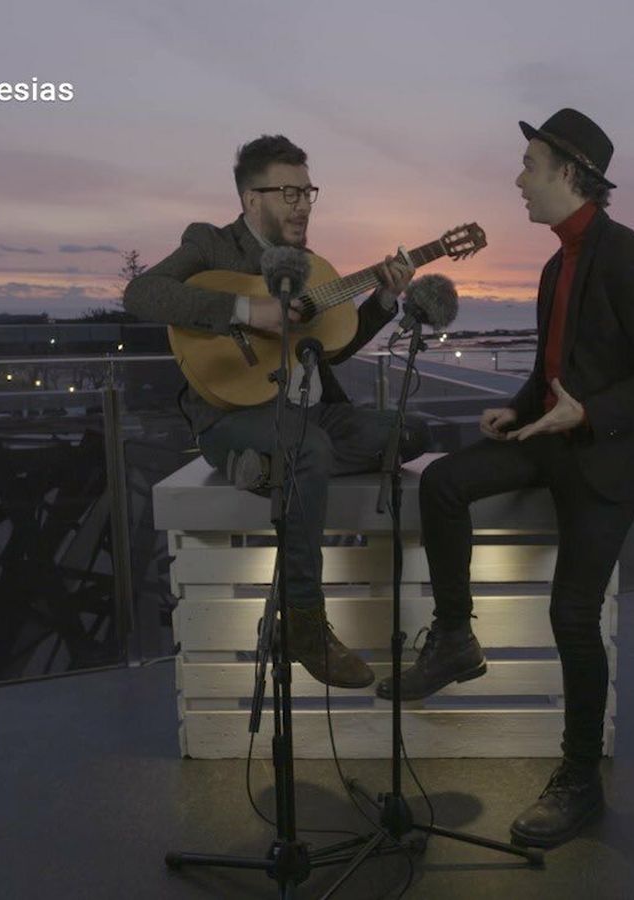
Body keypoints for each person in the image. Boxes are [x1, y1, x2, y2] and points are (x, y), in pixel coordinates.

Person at [376, 109, 634, 848]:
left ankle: (579, 781)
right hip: (553, 434)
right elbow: (554, 365)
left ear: (569, 173)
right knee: (444, 482)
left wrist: (587, 413)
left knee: (572, 618)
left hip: (610, 456)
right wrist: (517, 408)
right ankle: (456, 638)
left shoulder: (632, 256)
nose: (518, 179)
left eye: (529, 164)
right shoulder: (557, 262)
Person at [125, 134, 419, 690]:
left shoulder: (312, 267)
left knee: (407, 432)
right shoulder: (210, 245)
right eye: (288, 192)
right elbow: (143, 293)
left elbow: (333, 347)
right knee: (310, 448)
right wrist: (245, 308)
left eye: (308, 191)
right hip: (230, 411)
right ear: (250, 198)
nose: (303, 204)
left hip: (306, 410)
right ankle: (304, 620)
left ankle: (266, 470)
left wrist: (382, 301)